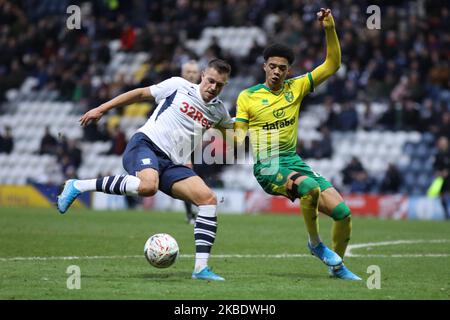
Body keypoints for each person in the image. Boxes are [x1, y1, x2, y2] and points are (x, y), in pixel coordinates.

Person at [57, 59, 234, 281]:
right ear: (202, 76)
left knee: (208, 199)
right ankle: (78, 185)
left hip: (173, 163)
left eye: (220, 85)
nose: (213, 87)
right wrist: (101, 109)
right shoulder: (179, 86)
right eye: (211, 81)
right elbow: (140, 94)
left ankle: (200, 269)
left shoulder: (219, 111)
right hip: (146, 144)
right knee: (149, 186)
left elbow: (233, 129)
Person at [234, 8, 360, 280]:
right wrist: (238, 133)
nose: (277, 71)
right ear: (264, 66)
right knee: (309, 188)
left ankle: (336, 267)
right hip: (267, 166)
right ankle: (315, 244)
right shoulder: (248, 96)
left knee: (343, 213)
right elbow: (238, 134)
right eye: (272, 66)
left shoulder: (297, 87)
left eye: (282, 67)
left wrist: (329, 29)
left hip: (293, 161)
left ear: (288, 70)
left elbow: (333, 65)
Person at [180, 60, 201, 224]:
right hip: (177, 140)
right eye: (188, 71)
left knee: (189, 175)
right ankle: (192, 213)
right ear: (182, 73)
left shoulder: (203, 93)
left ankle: (191, 213)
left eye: (194, 72)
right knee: (187, 174)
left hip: (198, 143)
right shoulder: (176, 88)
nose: (191, 75)